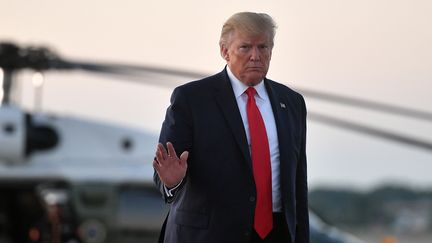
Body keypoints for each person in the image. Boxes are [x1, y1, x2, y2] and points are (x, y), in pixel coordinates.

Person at [153, 12, 309, 243]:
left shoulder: (292, 103)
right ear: (225, 51)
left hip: (277, 234)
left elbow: (298, 184)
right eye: (245, 47)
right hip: (209, 235)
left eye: (263, 47)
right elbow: (166, 172)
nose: (256, 56)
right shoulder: (192, 99)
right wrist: (171, 181)